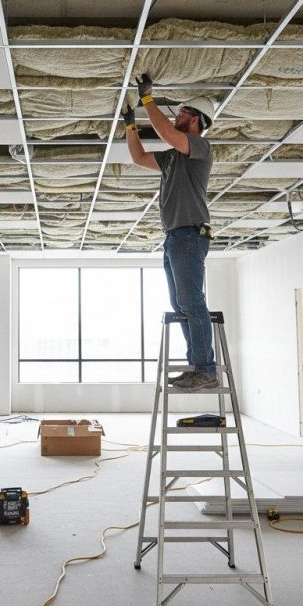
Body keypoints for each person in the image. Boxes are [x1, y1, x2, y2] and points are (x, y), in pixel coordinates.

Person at [123, 73, 218, 390]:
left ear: (196, 121)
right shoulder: (172, 158)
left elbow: (166, 133)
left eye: (182, 113)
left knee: (192, 303)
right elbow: (138, 157)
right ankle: (198, 365)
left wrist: (147, 98)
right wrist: (130, 124)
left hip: (190, 235)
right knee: (182, 305)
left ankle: (206, 368)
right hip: (175, 238)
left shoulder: (200, 149)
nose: (176, 116)